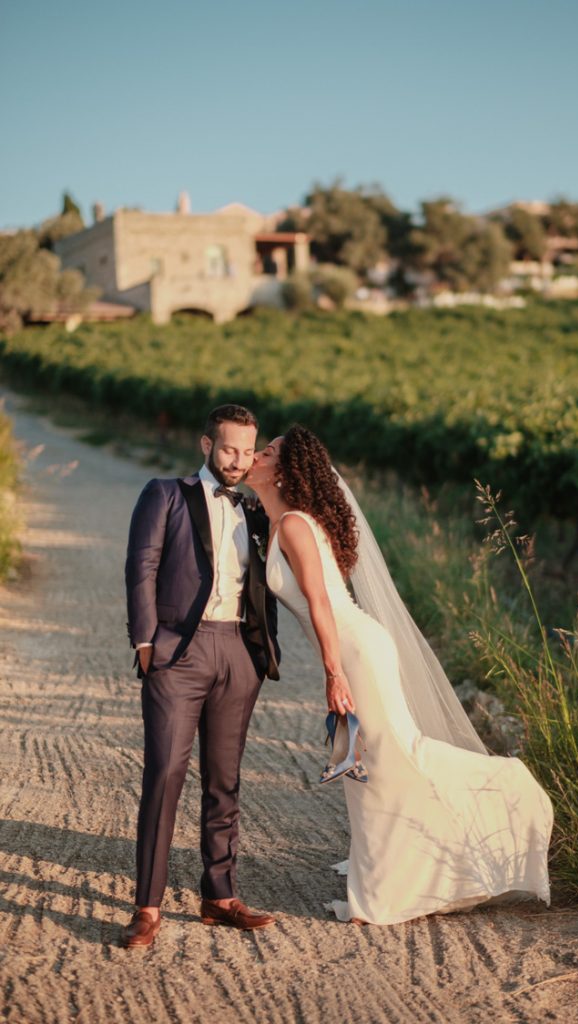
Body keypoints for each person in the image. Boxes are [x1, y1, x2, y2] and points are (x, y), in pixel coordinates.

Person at [245, 425, 553, 926]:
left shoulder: (298, 525)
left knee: (392, 759)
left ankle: (512, 792)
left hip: (355, 655)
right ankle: (387, 877)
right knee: (362, 767)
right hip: (349, 651)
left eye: (267, 451)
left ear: (285, 471)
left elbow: (321, 602)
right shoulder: (280, 521)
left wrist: (332, 673)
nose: (256, 457)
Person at [122, 404, 280, 948]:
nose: (238, 460)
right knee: (165, 774)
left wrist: (260, 654)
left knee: (224, 779)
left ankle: (220, 895)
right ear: (206, 444)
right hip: (178, 654)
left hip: (238, 652)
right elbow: (141, 564)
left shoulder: (257, 509)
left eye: (247, 451)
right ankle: (147, 906)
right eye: (229, 448)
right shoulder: (165, 493)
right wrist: (146, 644)